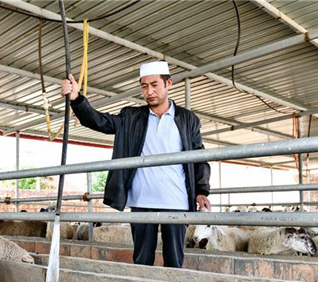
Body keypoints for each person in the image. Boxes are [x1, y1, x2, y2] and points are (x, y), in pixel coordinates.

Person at [61, 60, 211, 268]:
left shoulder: (188, 119)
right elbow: (99, 121)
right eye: (144, 86)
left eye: (154, 85)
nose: (149, 91)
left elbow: (199, 156)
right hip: (142, 200)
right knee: (142, 260)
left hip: (176, 201)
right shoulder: (131, 117)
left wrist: (202, 191)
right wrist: (77, 99)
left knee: (175, 261)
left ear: (168, 83)